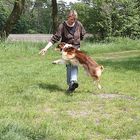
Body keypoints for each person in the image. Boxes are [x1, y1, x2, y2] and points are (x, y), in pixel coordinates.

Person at [39, 10, 86, 93]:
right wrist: (45, 48)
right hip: (66, 50)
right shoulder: (62, 26)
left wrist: (77, 42)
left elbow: (82, 35)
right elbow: (55, 38)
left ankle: (73, 82)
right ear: (68, 17)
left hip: (76, 49)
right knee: (69, 65)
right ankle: (71, 84)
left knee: (74, 64)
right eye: (72, 19)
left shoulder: (79, 24)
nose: (73, 21)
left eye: (75, 19)